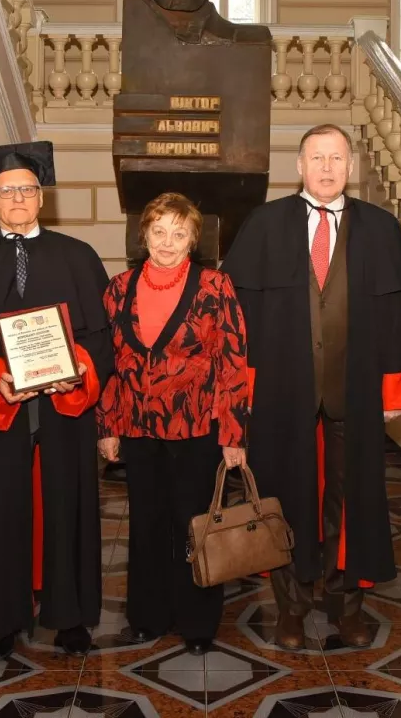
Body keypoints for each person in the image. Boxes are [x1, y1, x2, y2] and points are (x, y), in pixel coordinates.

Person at [222, 123, 401, 651]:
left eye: (337, 158)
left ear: (350, 166)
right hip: (281, 393)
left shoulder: (380, 228)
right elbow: (241, 320)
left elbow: (394, 321)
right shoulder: (264, 224)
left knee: (351, 501)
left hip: (354, 392)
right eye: (318, 157)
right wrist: (243, 397)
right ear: (300, 166)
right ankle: (290, 607)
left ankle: (346, 606)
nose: (328, 167)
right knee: (284, 498)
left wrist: (392, 393)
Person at [0, 141, 113, 659]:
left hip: (65, 413)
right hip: (0, 412)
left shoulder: (78, 256)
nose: (17, 198)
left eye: (26, 189)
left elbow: (102, 337)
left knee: (68, 508)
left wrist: (79, 371)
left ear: (41, 197)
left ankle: (71, 618)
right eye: (5, 192)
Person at [97, 192, 250, 655]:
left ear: (193, 240)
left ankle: (198, 623)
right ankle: (147, 618)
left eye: (178, 233)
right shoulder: (118, 288)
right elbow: (109, 363)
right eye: (159, 231)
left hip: (198, 431)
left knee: (194, 525)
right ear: (143, 234)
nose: (167, 242)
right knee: (145, 526)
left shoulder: (214, 287)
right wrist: (107, 426)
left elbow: (233, 362)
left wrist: (234, 434)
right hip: (139, 430)